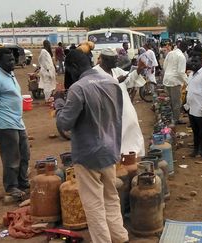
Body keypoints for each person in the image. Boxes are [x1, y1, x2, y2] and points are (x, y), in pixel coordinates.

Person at [54, 49, 128, 243]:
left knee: (94, 205)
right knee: (111, 198)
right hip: (110, 149)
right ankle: (120, 238)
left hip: (88, 155)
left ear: (74, 67)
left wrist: (59, 103)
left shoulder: (79, 89)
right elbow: (117, 117)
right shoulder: (112, 83)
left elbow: (64, 123)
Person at [0, 48, 30, 201]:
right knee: (11, 158)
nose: (12, 62)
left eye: (12, 59)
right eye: (8, 60)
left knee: (25, 154)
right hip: (4, 124)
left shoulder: (10, 74)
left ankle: (22, 182)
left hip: (17, 122)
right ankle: (11, 187)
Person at [94, 48, 146, 157]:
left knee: (131, 133)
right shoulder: (95, 73)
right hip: (109, 112)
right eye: (114, 60)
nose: (116, 62)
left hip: (125, 109)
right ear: (105, 60)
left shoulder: (116, 70)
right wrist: (116, 81)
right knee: (114, 138)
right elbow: (95, 91)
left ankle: (131, 157)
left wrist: (138, 70)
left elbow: (129, 80)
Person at [162, 40, 188, 124]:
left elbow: (164, 66)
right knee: (176, 102)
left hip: (167, 80)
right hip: (175, 82)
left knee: (169, 101)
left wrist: (168, 74)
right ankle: (176, 120)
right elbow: (181, 72)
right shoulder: (181, 56)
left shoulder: (170, 53)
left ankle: (169, 118)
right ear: (185, 48)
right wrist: (188, 81)